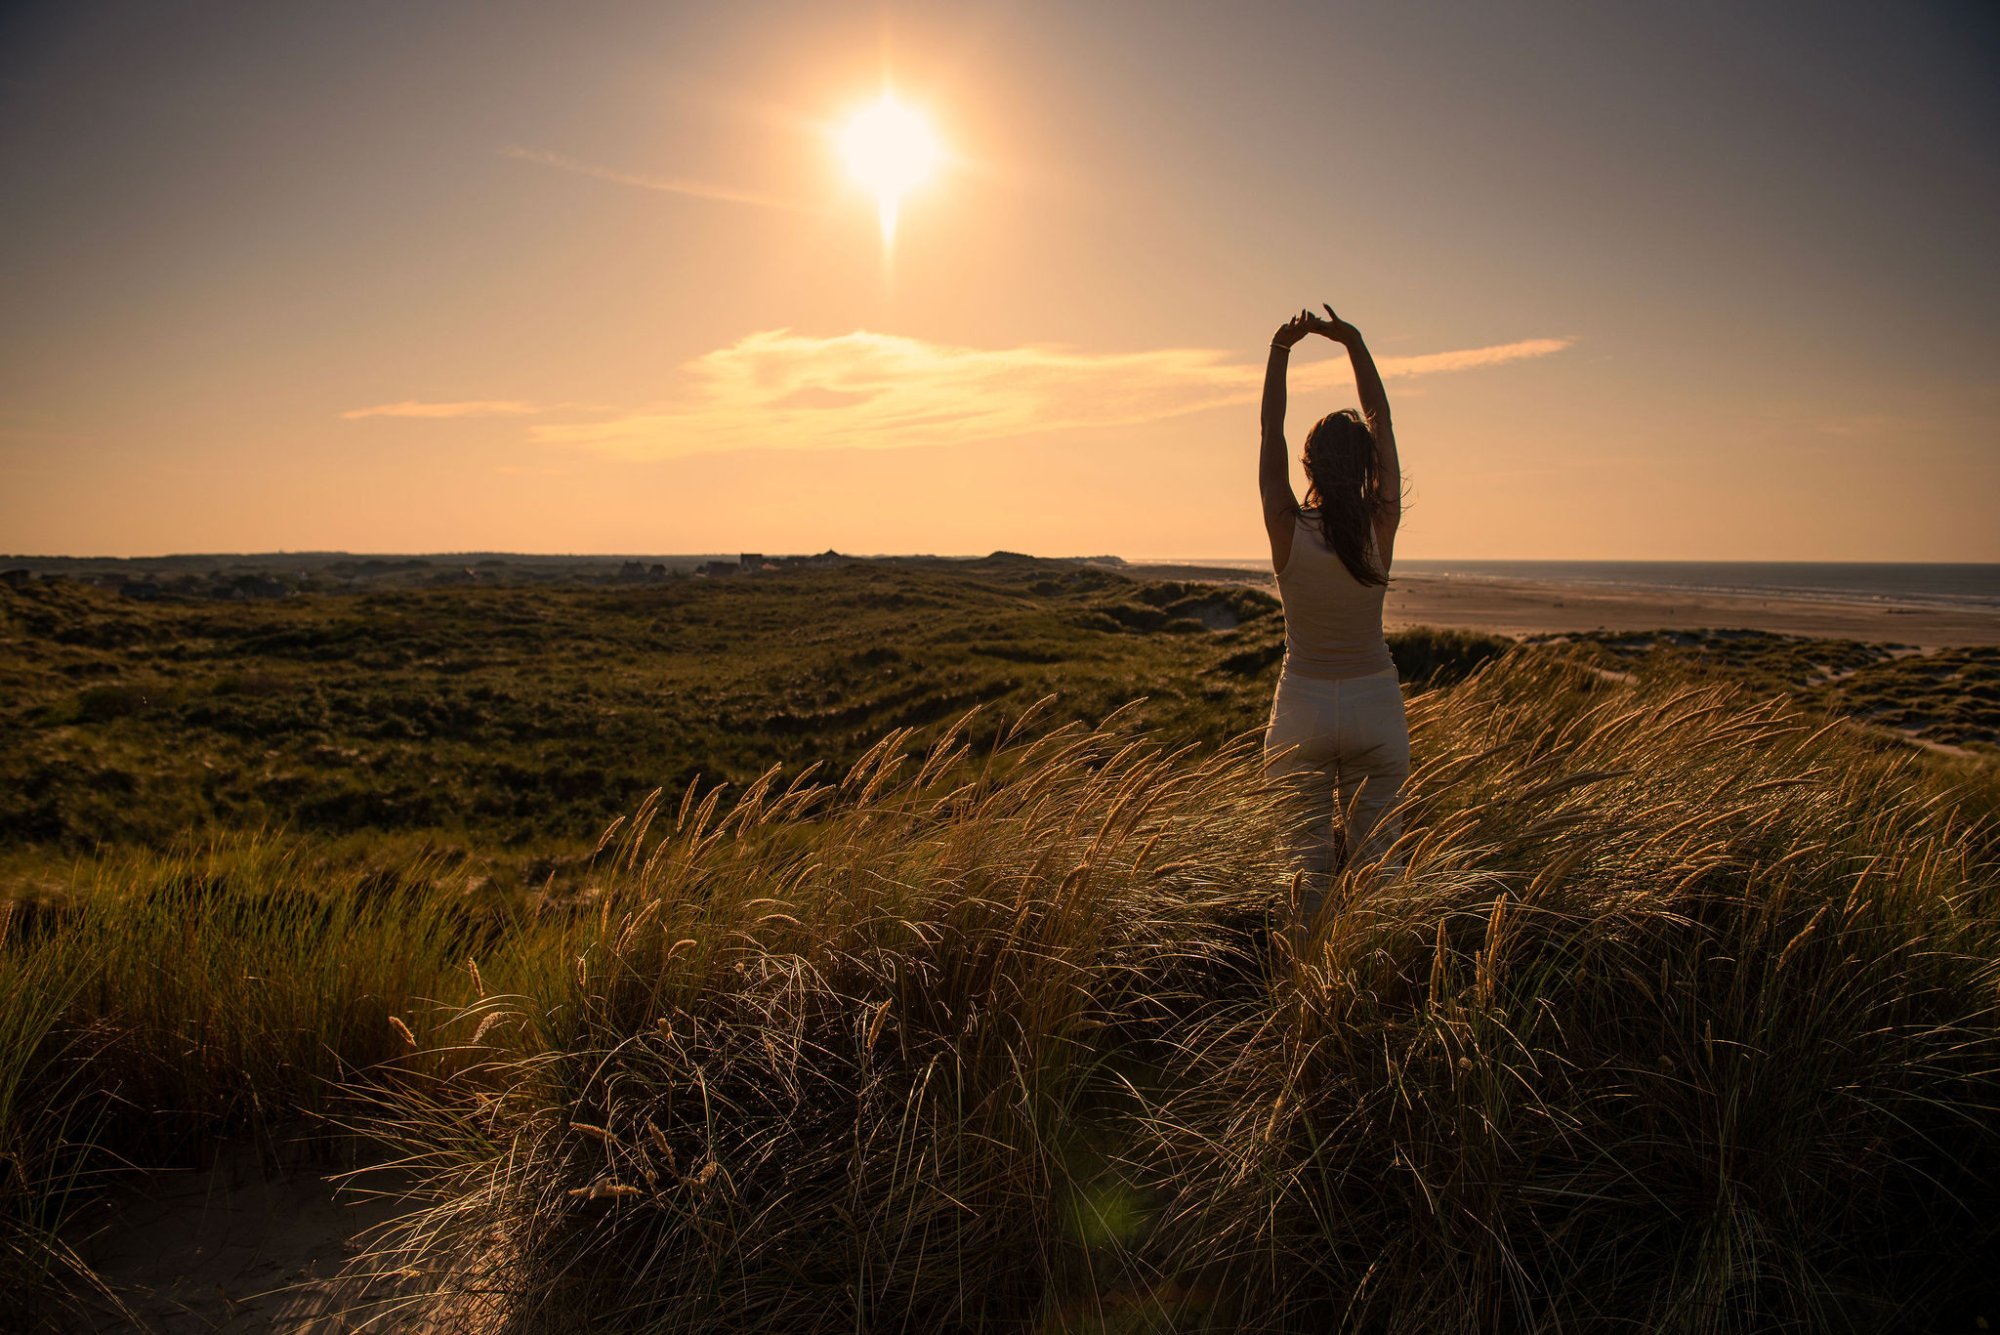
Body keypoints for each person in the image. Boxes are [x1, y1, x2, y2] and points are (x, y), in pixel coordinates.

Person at [1258, 303, 1408, 916]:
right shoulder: (1381, 521)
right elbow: (1383, 418)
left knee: (1303, 878)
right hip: (1376, 706)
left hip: (1303, 709)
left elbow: (1271, 432)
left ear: (1309, 467)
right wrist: (1352, 341)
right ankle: (1379, 986)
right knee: (1381, 874)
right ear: (1369, 467)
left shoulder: (1286, 527)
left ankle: (1305, 991)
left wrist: (1280, 350)